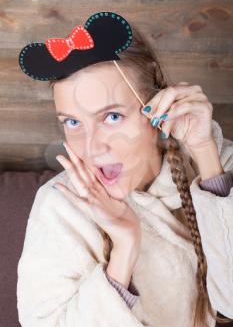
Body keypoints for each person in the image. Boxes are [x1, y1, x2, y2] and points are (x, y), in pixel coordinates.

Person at [17, 21, 233, 327]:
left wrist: (205, 154)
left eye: (112, 116)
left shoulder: (216, 161)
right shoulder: (60, 205)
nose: (91, 148)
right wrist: (123, 250)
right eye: (72, 122)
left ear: (156, 109)